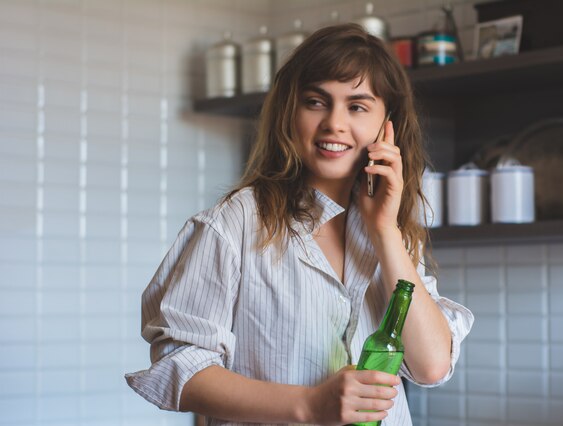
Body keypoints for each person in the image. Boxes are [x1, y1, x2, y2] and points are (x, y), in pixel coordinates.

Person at [125, 23, 473, 425]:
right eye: (316, 101)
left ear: (386, 125)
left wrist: (385, 234)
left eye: (357, 106)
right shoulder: (236, 222)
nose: (334, 124)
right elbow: (180, 366)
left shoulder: (392, 233)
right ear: (291, 110)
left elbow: (430, 366)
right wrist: (309, 405)